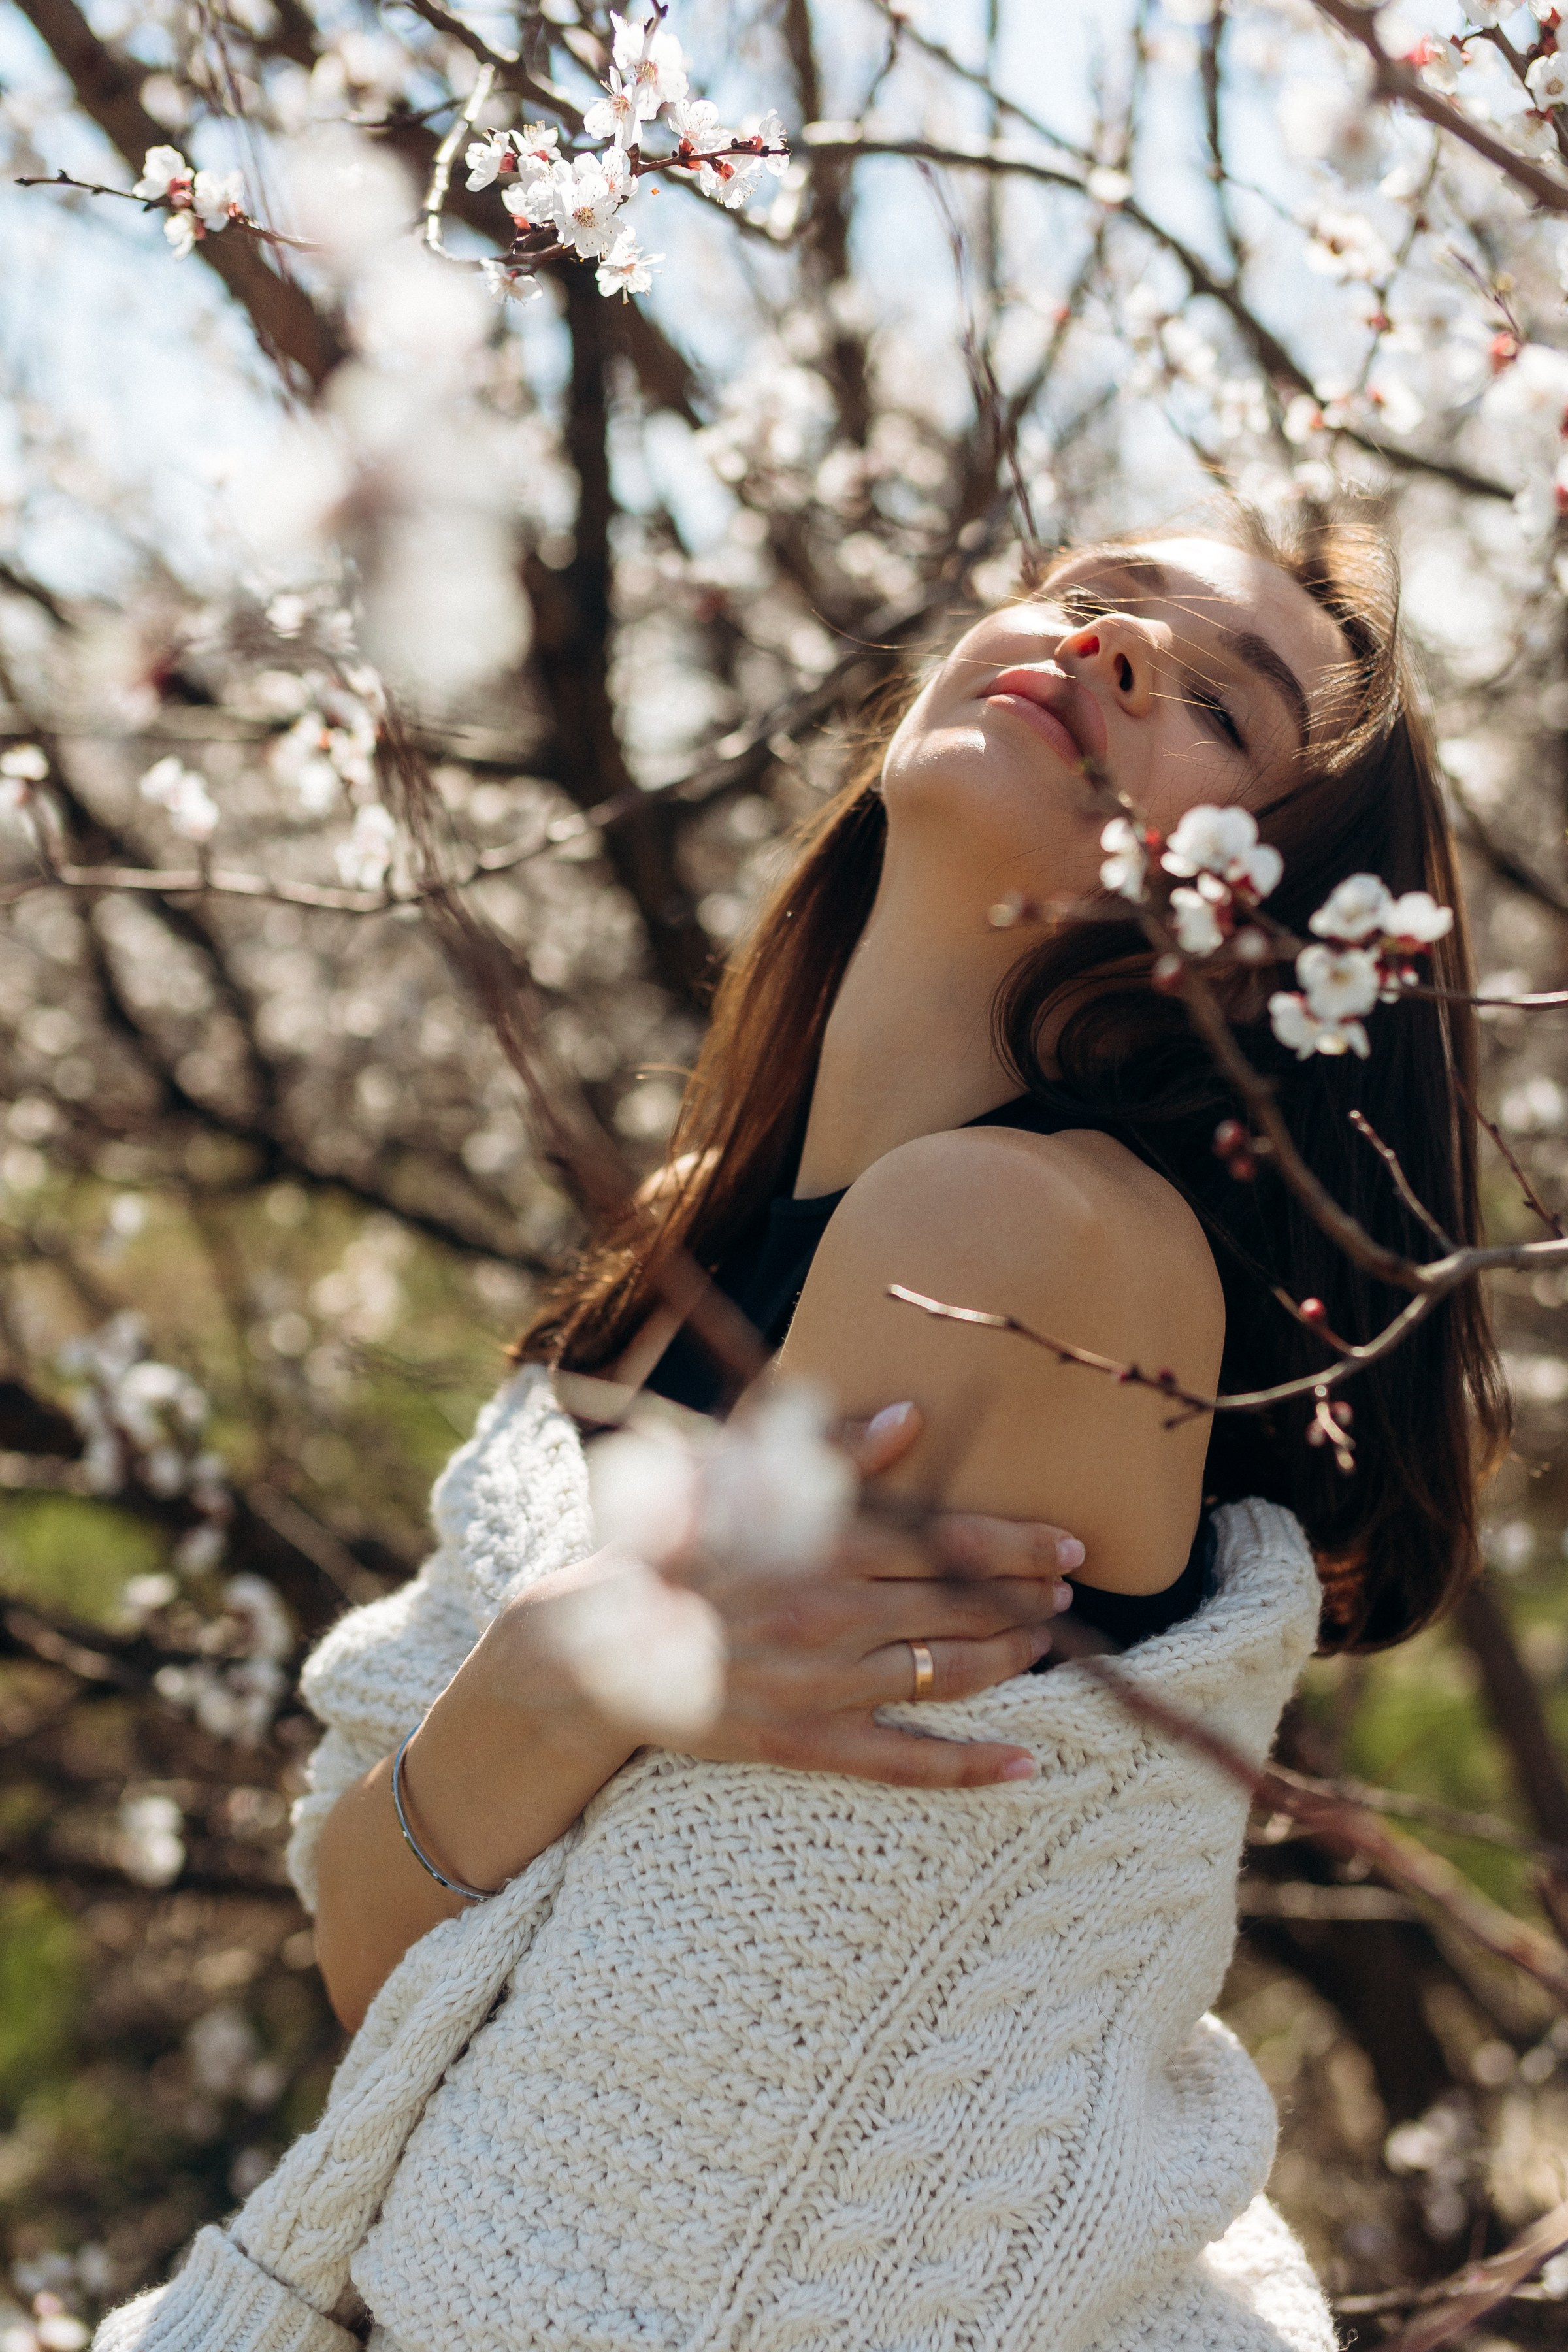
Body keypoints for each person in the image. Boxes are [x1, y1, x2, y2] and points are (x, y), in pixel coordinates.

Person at [95, 502, 1506, 2352]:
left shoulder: (1012, 1247)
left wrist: (519, 1732)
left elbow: (653, 2141)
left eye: (1221, 712)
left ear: (1271, 939)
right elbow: (382, 1968)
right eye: (1088, 595)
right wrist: (555, 1670)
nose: (1108, 649)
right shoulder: (655, 1290)